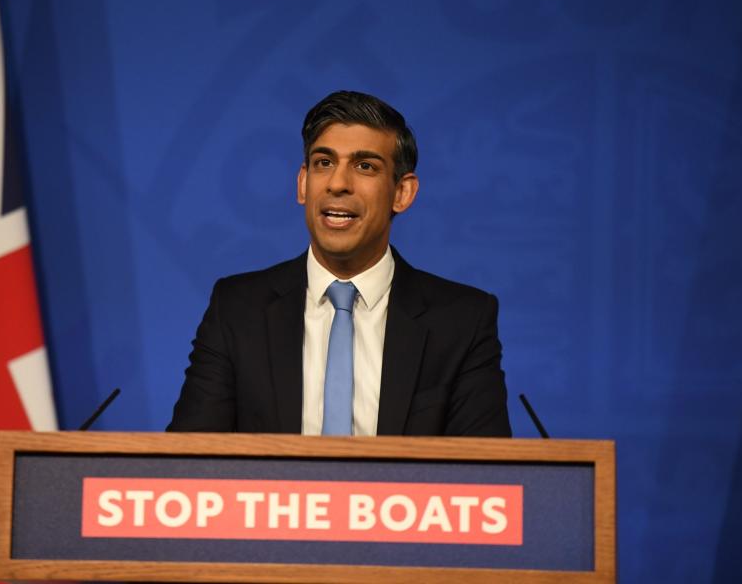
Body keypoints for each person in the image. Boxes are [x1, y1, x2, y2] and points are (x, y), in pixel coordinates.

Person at [167, 91, 511, 437]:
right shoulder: (237, 309)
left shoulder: (462, 321)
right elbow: (190, 465)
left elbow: (485, 479)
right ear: (303, 183)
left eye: (365, 166)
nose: (337, 184)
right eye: (324, 163)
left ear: (402, 193)